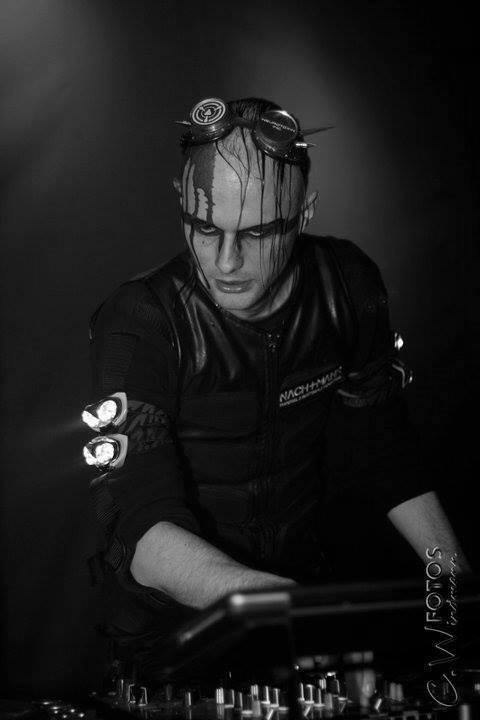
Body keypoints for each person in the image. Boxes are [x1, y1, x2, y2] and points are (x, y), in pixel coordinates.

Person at [85, 97, 469, 659]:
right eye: (204, 228)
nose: (226, 262)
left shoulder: (346, 286)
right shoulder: (141, 319)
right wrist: (277, 603)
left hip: (303, 607)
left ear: (305, 212)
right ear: (180, 202)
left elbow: (385, 455)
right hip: (173, 640)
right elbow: (136, 521)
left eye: (259, 233)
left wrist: (454, 588)